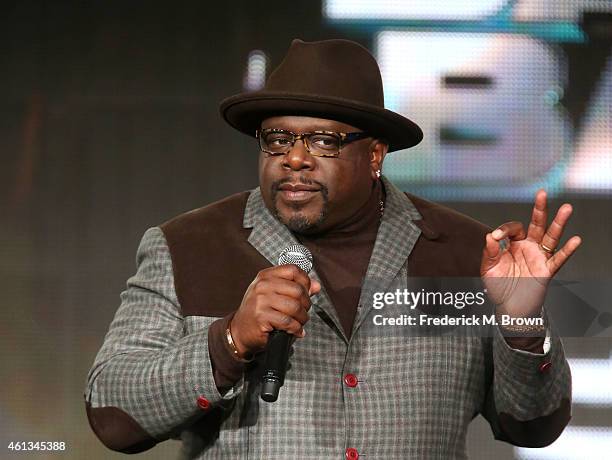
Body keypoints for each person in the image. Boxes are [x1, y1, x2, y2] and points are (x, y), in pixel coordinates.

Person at [85, 39, 581, 459]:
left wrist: (521, 327)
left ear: (374, 154)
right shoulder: (188, 246)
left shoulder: (464, 255)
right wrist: (228, 343)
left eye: (323, 141)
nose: (294, 159)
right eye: (277, 139)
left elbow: (532, 426)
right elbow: (113, 414)